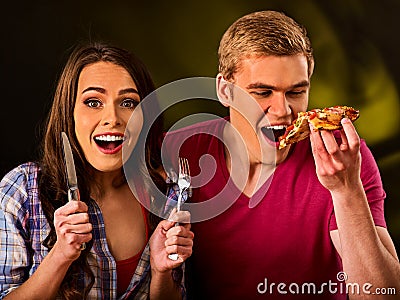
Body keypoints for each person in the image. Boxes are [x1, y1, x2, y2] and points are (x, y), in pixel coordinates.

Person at [163, 10, 400, 299]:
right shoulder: (180, 149)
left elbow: (381, 294)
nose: (283, 110)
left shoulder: (344, 158)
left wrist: (346, 191)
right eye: (262, 93)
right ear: (225, 91)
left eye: (296, 92)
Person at [0, 42, 194, 299]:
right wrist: (60, 255)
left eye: (128, 102)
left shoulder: (166, 196)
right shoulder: (22, 190)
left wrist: (161, 272)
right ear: (68, 113)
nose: (112, 118)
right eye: (93, 102)